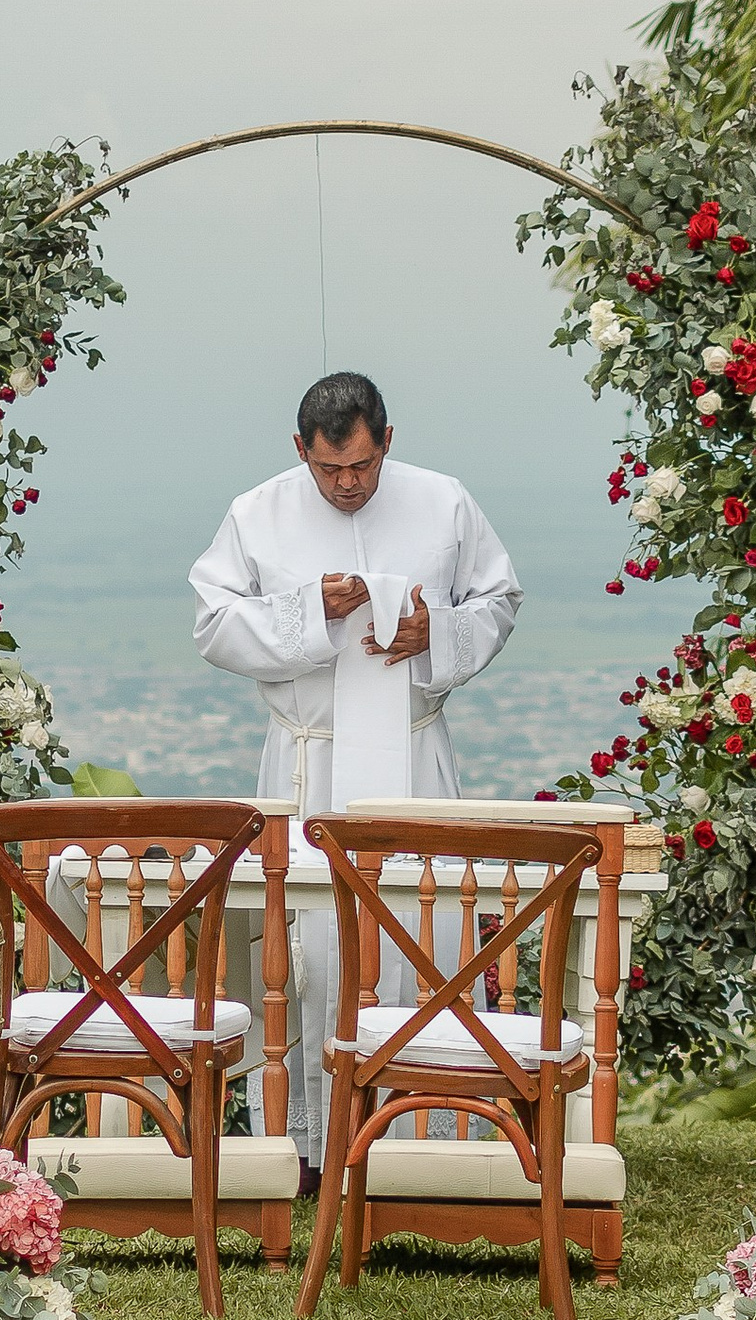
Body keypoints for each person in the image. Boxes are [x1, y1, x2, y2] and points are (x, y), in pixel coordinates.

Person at [190, 372, 521, 1165]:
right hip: (308, 760)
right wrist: (312, 610)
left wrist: (432, 632)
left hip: (414, 753)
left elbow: (499, 599)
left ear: (388, 442)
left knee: (428, 940)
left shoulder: (443, 501)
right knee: (312, 956)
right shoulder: (256, 511)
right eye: (329, 469)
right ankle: (310, 1147)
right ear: (300, 450)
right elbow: (213, 621)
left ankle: (429, 1142)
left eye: (363, 468)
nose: (347, 486)